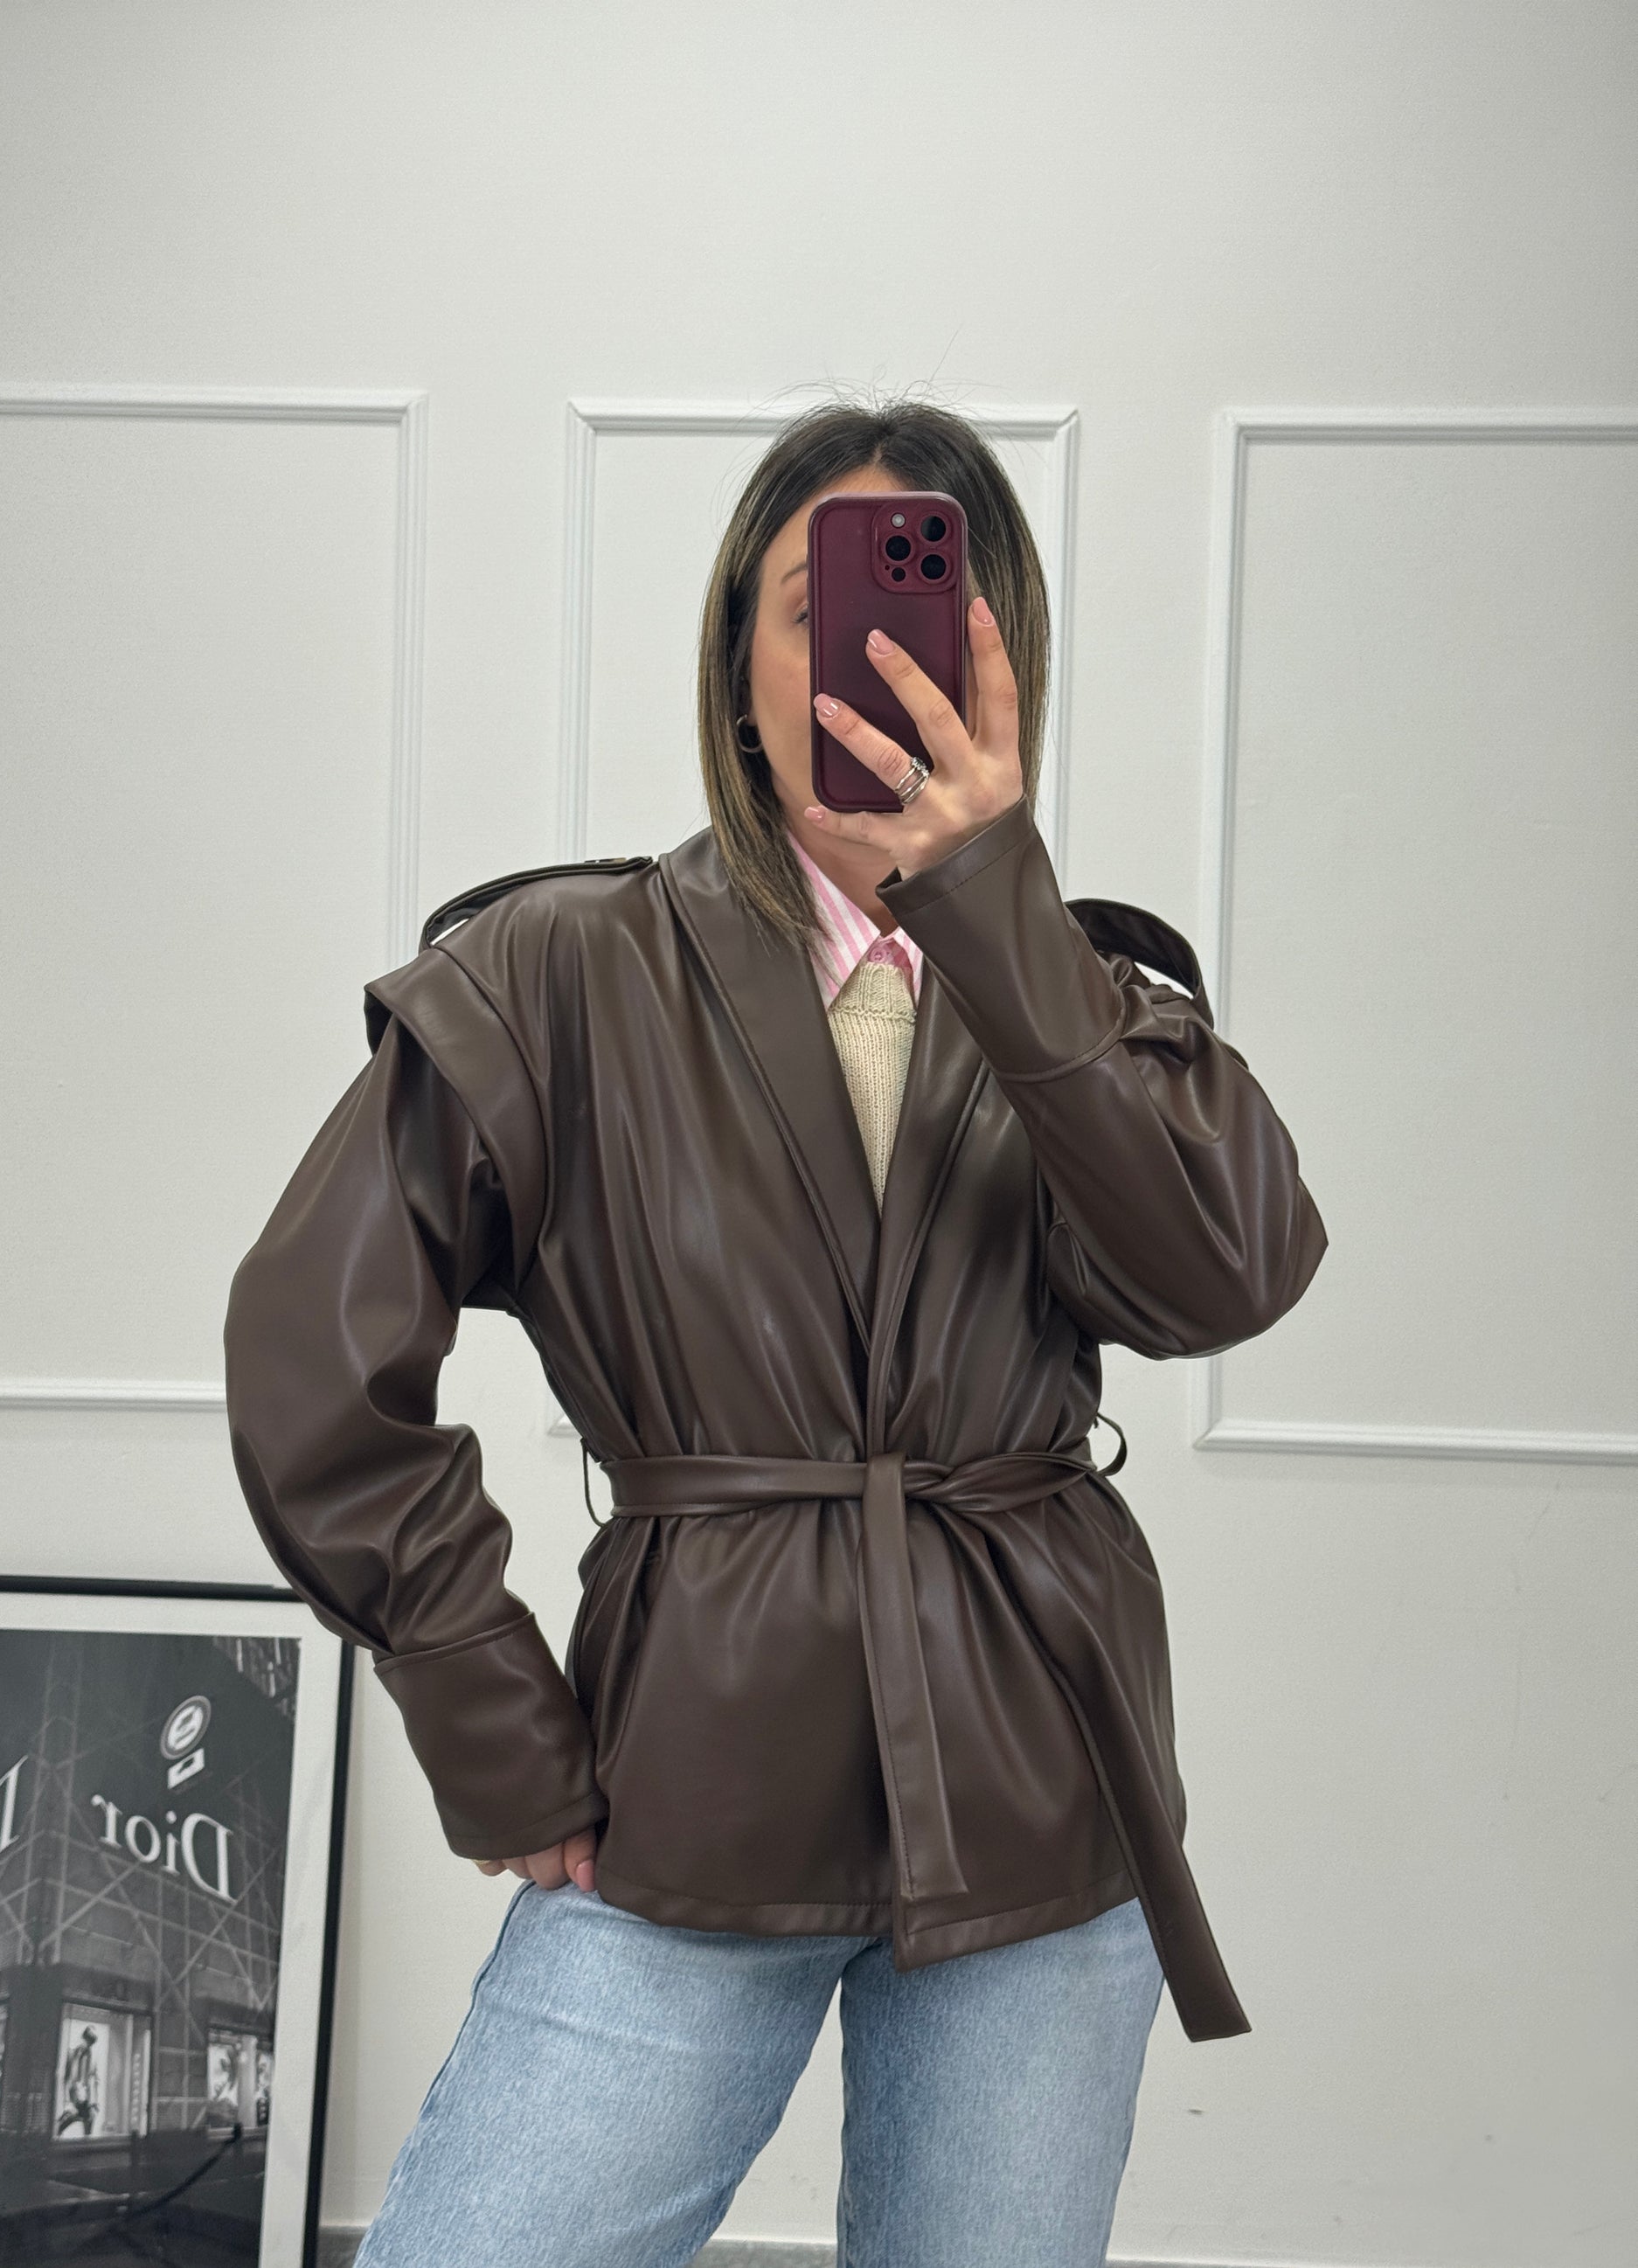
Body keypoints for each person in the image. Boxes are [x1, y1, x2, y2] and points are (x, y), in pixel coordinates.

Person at [224, 395, 1328, 2267]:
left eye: (924, 610)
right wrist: (484, 1707)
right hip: (680, 1777)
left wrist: (997, 914)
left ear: (1001, 662)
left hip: (1041, 1784)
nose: (868, 659)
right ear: (738, 665)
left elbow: (1227, 1274)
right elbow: (312, 1349)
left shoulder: (1093, 996)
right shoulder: (558, 969)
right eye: (818, 610)